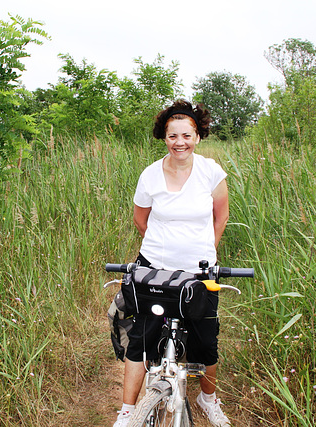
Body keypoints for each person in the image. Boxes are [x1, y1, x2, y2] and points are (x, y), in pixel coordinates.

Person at [113, 100, 231, 427]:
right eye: (172, 136)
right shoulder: (150, 175)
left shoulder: (211, 171)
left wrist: (204, 253)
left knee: (205, 341)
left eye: (186, 135)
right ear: (164, 137)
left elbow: (220, 217)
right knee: (141, 338)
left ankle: (209, 400)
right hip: (155, 267)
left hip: (200, 271)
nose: (179, 142)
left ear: (198, 136)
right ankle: (127, 411)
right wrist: (165, 253)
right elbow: (141, 221)